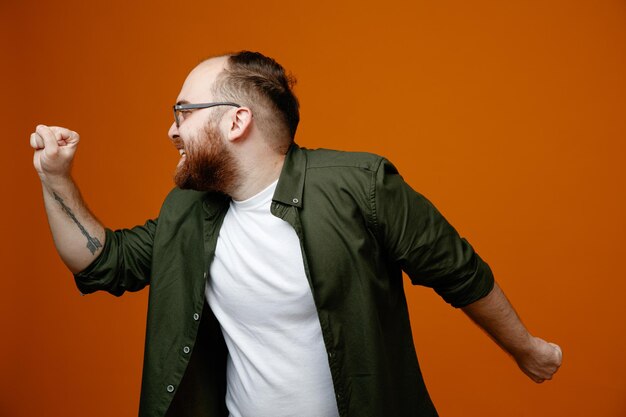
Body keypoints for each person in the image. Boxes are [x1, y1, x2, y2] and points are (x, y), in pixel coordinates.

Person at [31, 51, 562, 417]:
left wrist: (526, 349)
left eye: (183, 112)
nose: (172, 129)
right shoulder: (186, 214)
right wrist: (54, 177)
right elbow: (102, 262)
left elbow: (459, 273)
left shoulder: (363, 186)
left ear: (237, 121)